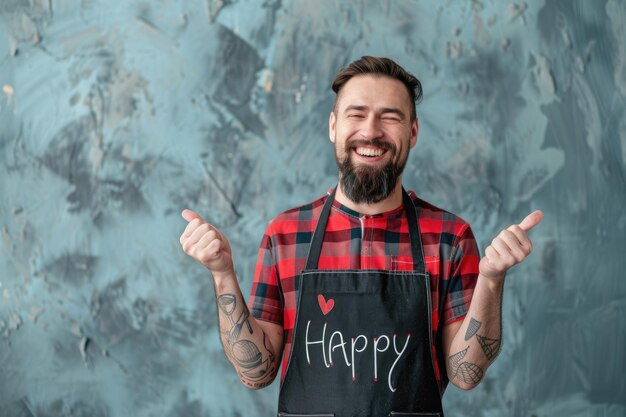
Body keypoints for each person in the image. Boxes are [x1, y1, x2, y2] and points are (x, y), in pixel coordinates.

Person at [179, 56, 543, 416]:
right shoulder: (285, 235)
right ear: (333, 126)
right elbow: (255, 373)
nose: (371, 131)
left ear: (413, 133)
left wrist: (492, 280)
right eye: (357, 114)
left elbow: (466, 374)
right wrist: (223, 275)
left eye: (390, 116)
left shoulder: (450, 237)